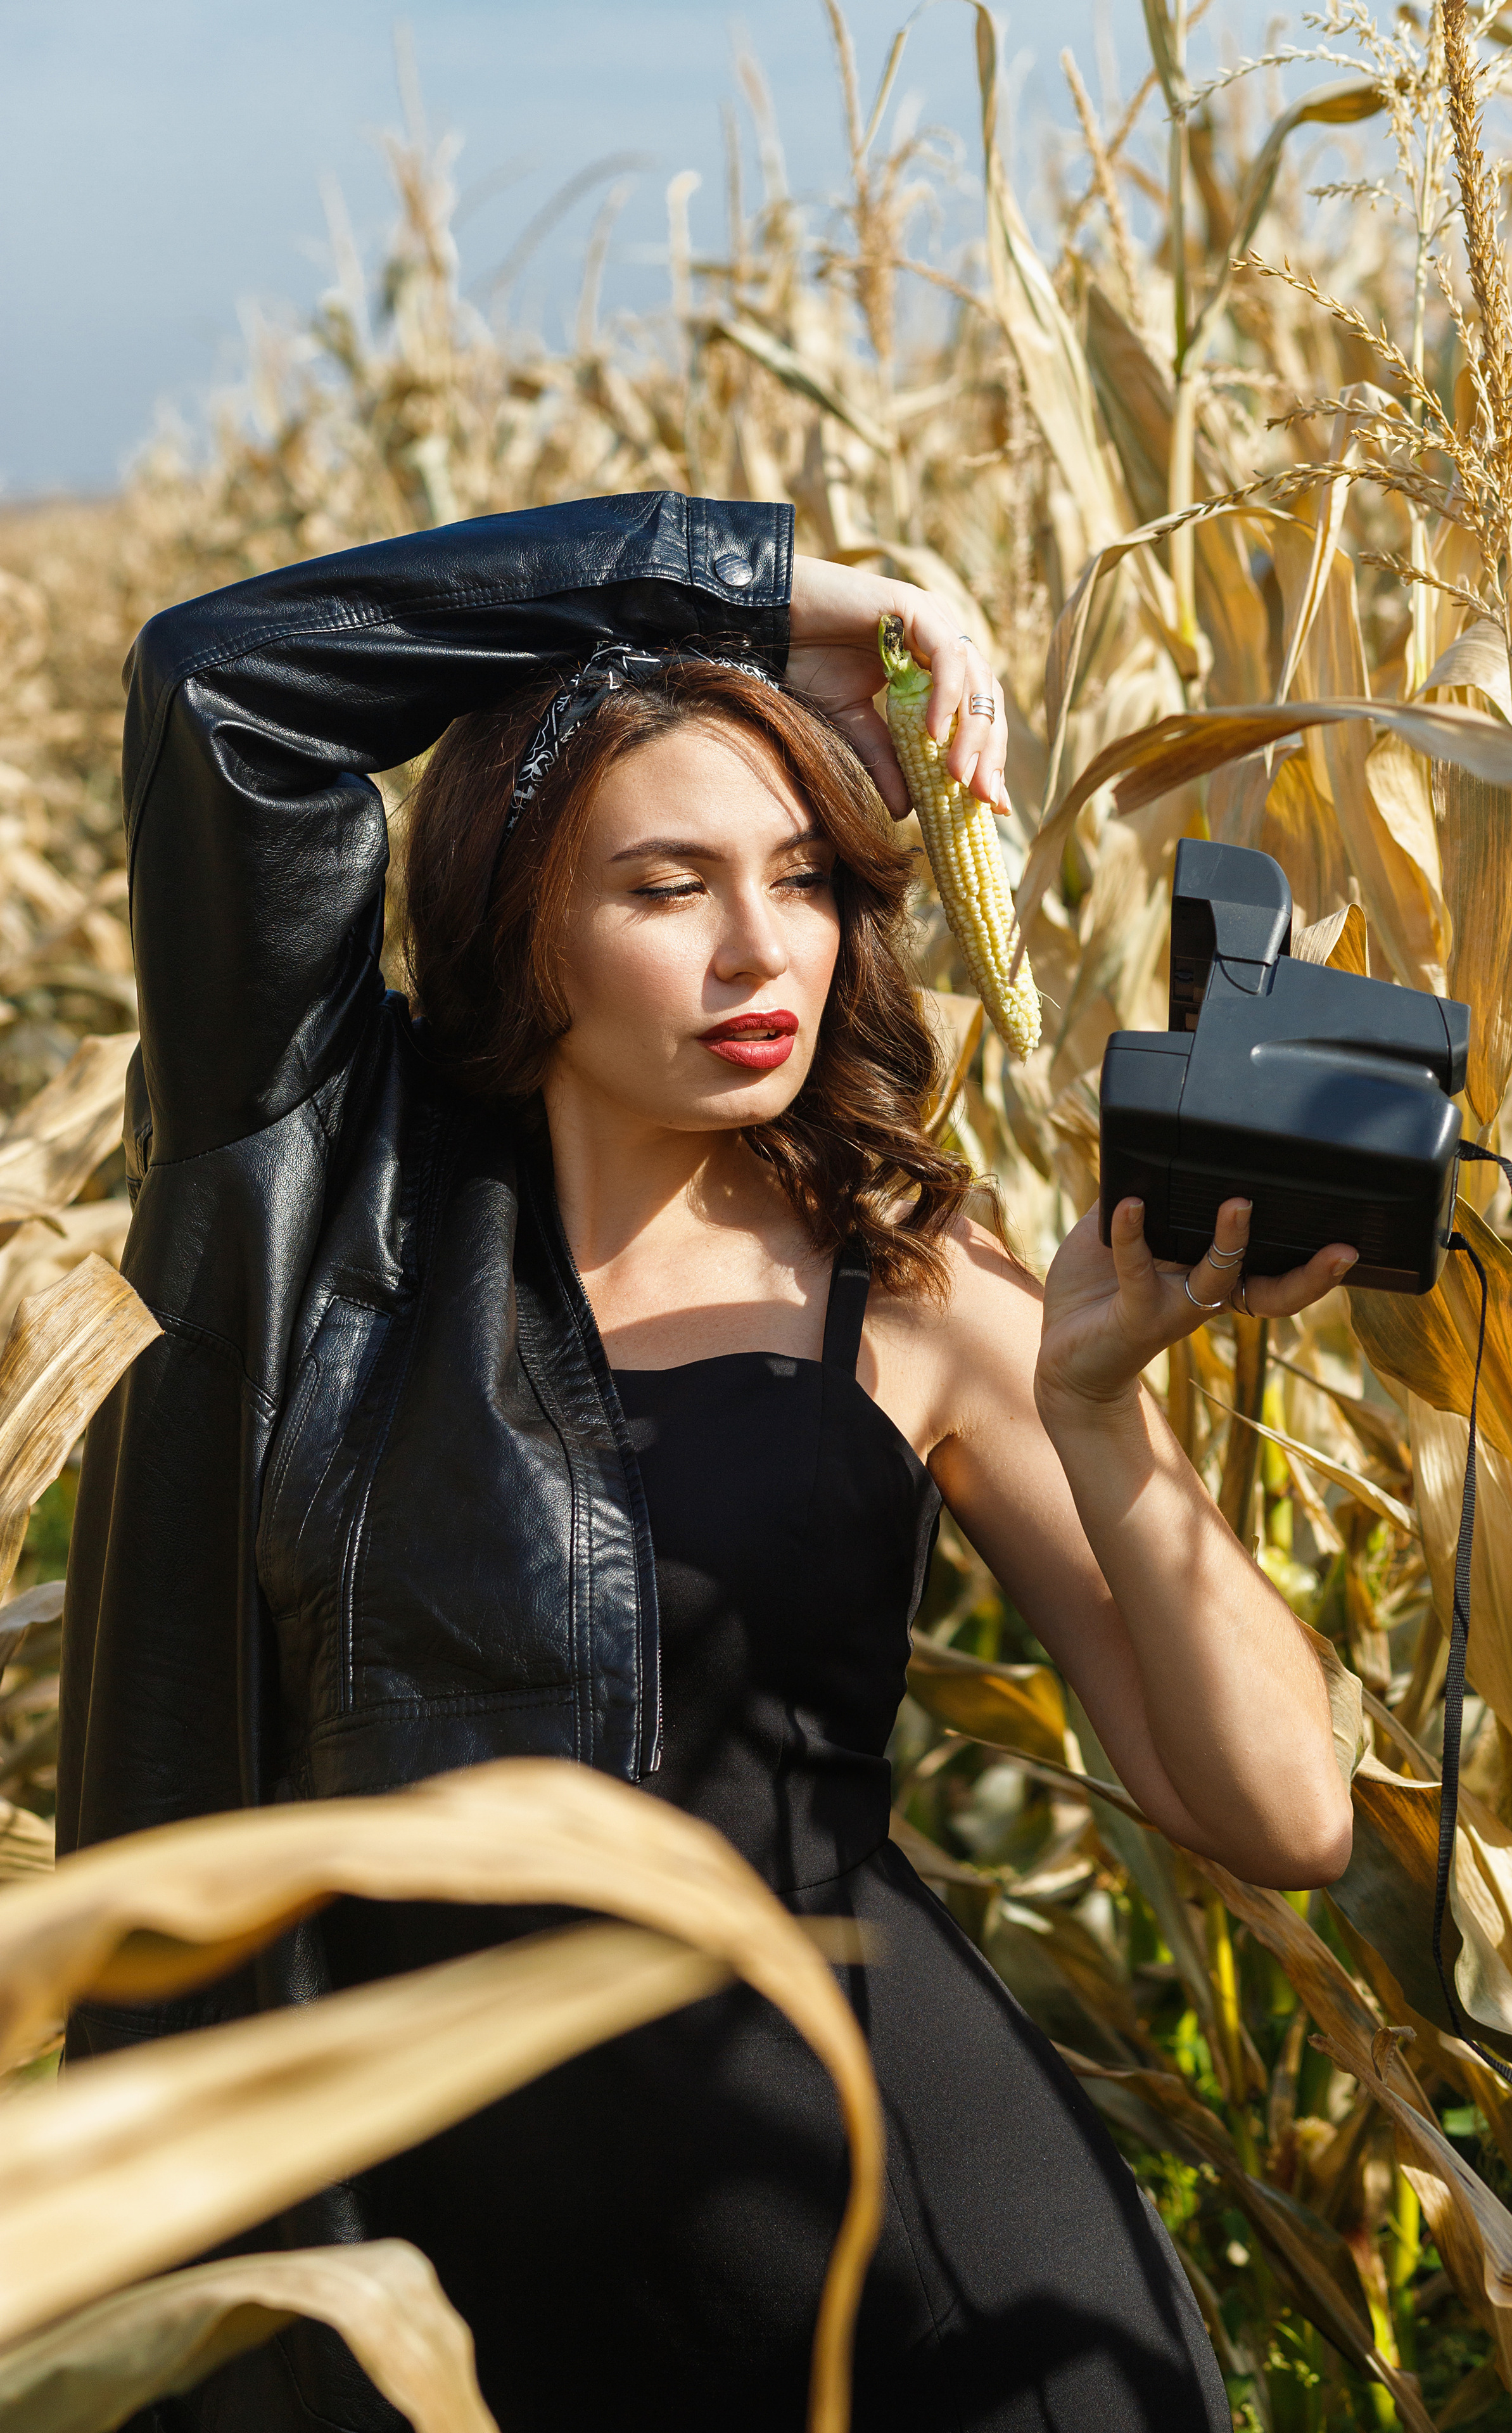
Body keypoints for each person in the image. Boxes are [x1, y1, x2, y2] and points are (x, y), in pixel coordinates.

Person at [61, 492, 1354, 2433]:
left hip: (915, 2251)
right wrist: (766, 596)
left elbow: (1279, 1818)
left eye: (806, 876)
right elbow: (219, 685)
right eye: (665, 888)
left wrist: (1105, 1417)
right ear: (521, 919)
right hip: (442, 2294)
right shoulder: (319, 1177)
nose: (763, 949)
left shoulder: (913, 1284)